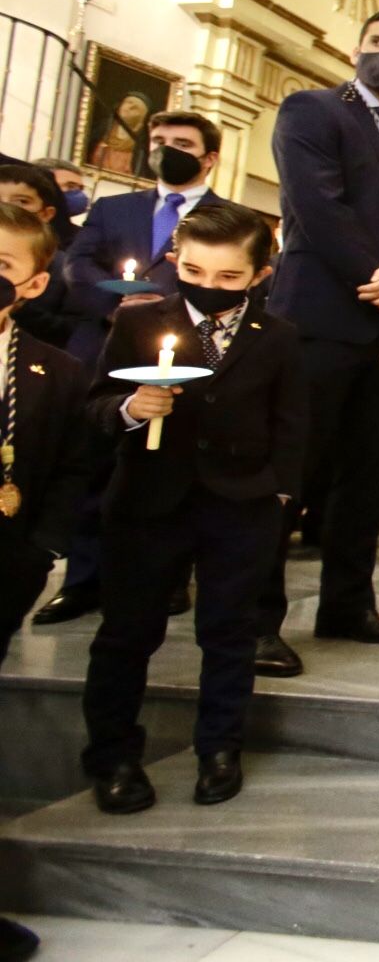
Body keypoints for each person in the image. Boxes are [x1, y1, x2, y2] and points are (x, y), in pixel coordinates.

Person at [81, 204, 305, 814]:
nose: (209, 287)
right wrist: (132, 409)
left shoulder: (278, 337)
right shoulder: (137, 322)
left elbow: (291, 424)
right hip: (150, 501)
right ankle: (114, 755)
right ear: (178, 262)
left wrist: (279, 493)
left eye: (229, 277)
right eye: (197, 271)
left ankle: (219, 748)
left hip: (241, 503)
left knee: (230, 631)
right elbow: (97, 404)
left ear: (260, 274)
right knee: (128, 631)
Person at [266, 9, 379, 652]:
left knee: (369, 476)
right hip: (320, 319)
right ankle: (258, 621)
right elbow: (319, 211)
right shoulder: (311, 112)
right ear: (355, 50)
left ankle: (346, 604)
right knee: (295, 470)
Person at [0, 202, 90, 962]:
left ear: (30, 285)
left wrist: (40, 554)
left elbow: (67, 473)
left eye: (1, 269)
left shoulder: (54, 371)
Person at [62, 112, 230, 370]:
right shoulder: (112, 208)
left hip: (181, 349)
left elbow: (233, 285)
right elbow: (78, 263)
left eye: (183, 144)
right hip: (100, 343)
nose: (167, 150)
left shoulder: (232, 219)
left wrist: (165, 312)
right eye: (159, 141)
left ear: (210, 158)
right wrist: (115, 307)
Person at [0, 164, 80, 349]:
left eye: (21, 201)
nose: (6, 206)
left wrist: (14, 300)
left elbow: (70, 328)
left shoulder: (65, 269)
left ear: (46, 213)